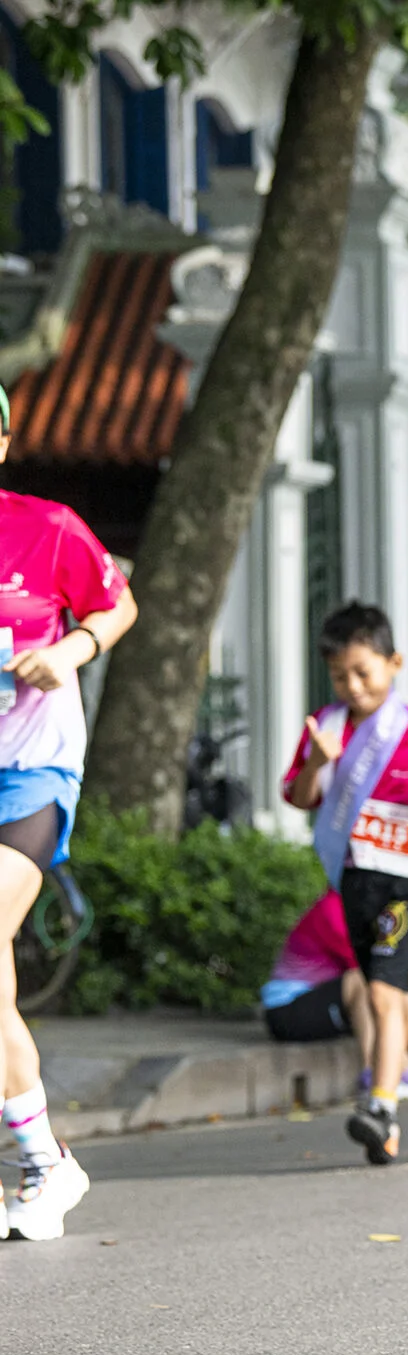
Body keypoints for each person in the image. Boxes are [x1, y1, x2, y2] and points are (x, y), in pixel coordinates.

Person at [0, 399, 136, 1240]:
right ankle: (44, 1161)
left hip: (31, 774)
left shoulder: (47, 527)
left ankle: (44, 1164)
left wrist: (70, 650)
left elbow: (117, 606)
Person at [283, 603, 408, 1165]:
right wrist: (317, 763)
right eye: (341, 675)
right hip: (357, 878)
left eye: (364, 671)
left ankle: (382, 1106)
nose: (353, 685)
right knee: (385, 990)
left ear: (394, 663)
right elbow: (298, 797)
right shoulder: (327, 728)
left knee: (386, 991)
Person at [261, 892, 408, 1086]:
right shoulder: (333, 909)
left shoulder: (375, 906)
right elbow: (381, 972)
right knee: (370, 981)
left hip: (336, 997)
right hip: (288, 1009)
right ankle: (377, 1072)